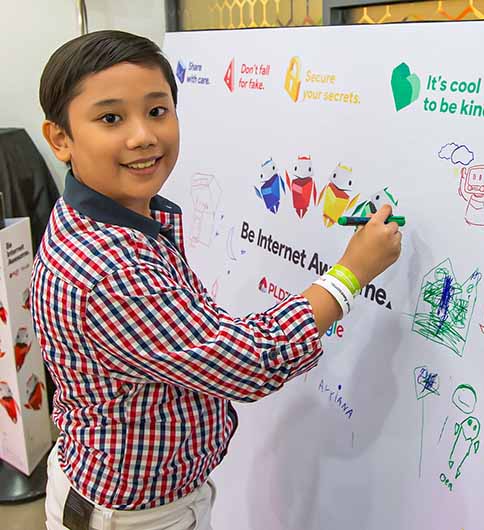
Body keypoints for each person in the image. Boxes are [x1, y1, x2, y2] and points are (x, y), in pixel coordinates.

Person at [32, 30, 402, 530]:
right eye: (111, 118)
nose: (142, 136)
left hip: (124, 496)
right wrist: (349, 274)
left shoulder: (115, 217)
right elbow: (249, 361)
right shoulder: (110, 269)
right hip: (136, 518)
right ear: (60, 139)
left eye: (157, 111)